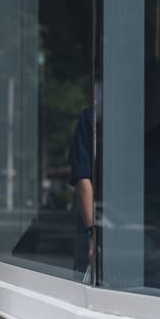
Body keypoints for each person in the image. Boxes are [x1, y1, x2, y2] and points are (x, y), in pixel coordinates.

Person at [68, 106, 95, 282]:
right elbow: (82, 178)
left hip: (97, 223)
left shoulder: (92, 116)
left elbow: (82, 177)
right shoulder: (91, 117)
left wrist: (93, 232)